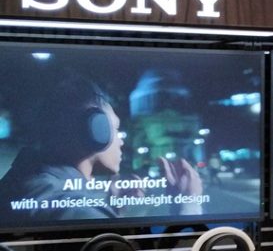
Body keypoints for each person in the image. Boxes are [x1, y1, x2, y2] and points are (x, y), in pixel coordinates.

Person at [0, 74, 204, 223]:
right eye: (115, 129)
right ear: (95, 131)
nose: (121, 141)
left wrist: (110, 210)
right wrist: (188, 206)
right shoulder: (68, 207)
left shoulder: (29, 183)